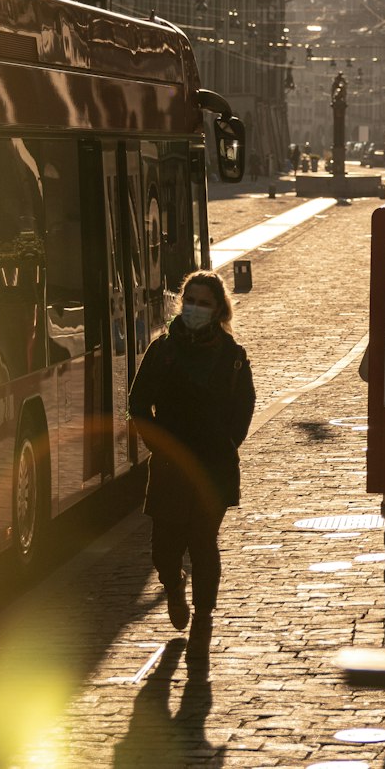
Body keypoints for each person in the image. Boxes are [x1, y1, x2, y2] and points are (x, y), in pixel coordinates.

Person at [128, 270, 255, 668]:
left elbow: (243, 410)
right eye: (191, 301)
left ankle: (203, 621)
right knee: (164, 550)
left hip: (212, 467)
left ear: (218, 309)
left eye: (204, 303)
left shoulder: (233, 357)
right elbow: (137, 404)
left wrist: (225, 444)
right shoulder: (162, 350)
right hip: (169, 465)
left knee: (203, 543)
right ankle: (173, 584)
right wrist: (157, 444)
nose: (196, 309)